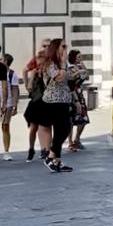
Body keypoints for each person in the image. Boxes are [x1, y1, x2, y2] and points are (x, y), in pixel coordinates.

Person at [40, 39, 74, 173]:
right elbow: (59, 78)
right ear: (56, 48)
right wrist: (64, 64)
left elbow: (71, 77)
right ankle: (51, 156)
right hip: (52, 101)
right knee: (62, 129)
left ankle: (56, 160)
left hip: (64, 100)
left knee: (63, 129)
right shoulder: (50, 64)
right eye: (63, 46)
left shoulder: (61, 64)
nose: (65, 49)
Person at [23, 38, 50, 161]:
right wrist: (27, 83)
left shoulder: (51, 61)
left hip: (48, 97)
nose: (46, 48)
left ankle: (46, 149)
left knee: (46, 125)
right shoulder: (37, 59)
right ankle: (31, 148)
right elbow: (25, 70)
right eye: (44, 45)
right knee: (34, 126)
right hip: (37, 97)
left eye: (48, 46)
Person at [67, 49, 90, 152]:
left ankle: (77, 139)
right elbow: (70, 80)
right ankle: (70, 142)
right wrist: (78, 72)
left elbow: (87, 76)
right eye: (79, 57)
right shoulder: (70, 68)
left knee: (83, 118)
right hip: (72, 94)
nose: (81, 59)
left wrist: (83, 67)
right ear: (74, 58)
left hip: (80, 94)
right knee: (71, 120)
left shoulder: (81, 67)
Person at [0, 53, 20, 161]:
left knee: (5, 126)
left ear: (6, 62)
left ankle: (6, 151)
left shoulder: (12, 75)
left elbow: (15, 90)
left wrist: (15, 105)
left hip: (8, 103)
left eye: (1, 59)